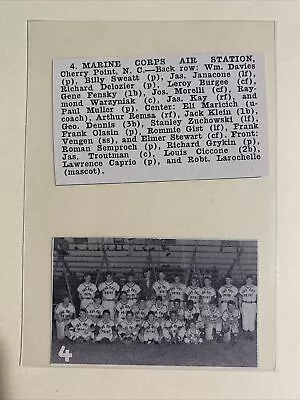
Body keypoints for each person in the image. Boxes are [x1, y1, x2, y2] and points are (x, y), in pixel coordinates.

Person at [239, 275, 257, 339]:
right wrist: (240, 306)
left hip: (253, 304)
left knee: (252, 319)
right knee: (245, 319)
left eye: (250, 279)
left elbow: (259, 297)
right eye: (247, 279)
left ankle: (252, 334)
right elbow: (240, 298)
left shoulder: (255, 287)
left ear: (252, 280)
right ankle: (246, 334)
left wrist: (258, 307)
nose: (249, 281)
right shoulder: (242, 287)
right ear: (246, 280)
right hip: (244, 303)